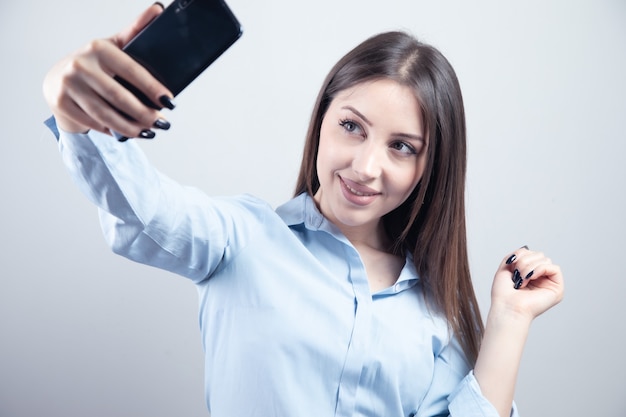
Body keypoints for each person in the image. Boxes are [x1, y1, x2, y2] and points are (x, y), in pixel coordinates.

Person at [42, 4, 564, 417]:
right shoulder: (241, 238)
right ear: (322, 121)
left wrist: (510, 318)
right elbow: (145, 215)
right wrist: (76, 112)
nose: (365, 167)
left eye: (402, 147)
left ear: (430, 168)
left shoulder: (433, 311)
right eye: (352, 126)